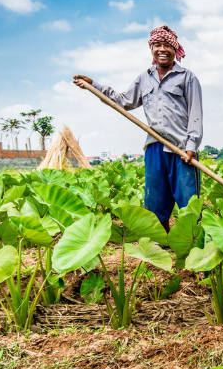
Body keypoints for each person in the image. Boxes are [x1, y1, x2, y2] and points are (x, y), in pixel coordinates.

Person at [73, 25, 203, 232]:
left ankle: (194, 242)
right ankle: (162, 242)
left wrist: (192, 145)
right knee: (156, 199)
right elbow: (123, 101)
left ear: (174, 49)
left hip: (181, 149)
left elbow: (195, 114)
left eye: (167, 45)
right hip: (155, 147)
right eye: (157, 45)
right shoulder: (144, 78)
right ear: (151, 49)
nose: (162, 49)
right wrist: (94, 86)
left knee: (189, 200)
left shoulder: (188, 77)